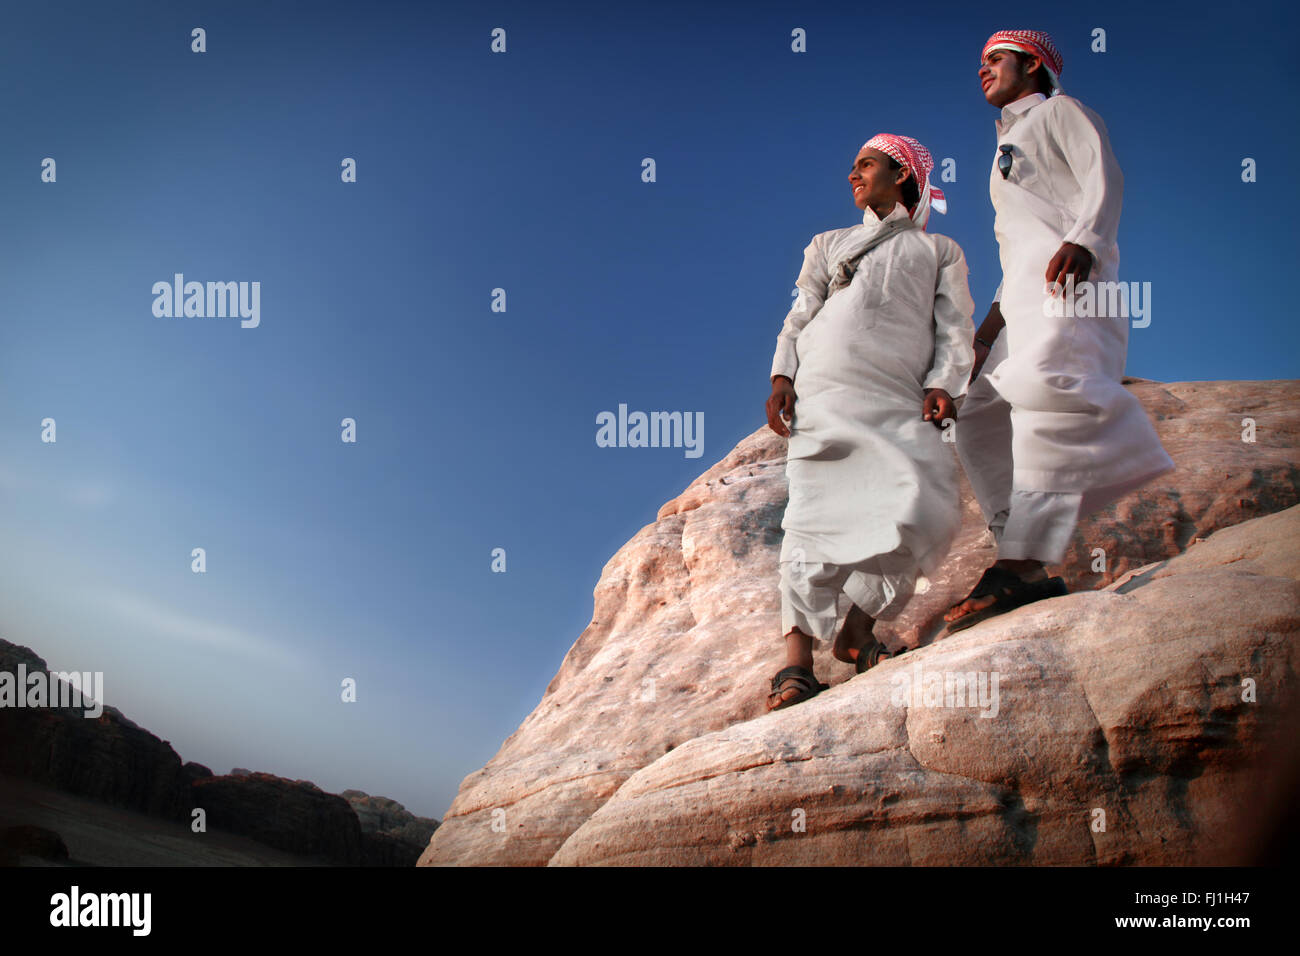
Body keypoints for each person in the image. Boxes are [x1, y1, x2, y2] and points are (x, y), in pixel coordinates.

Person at [943, 29, 1175, 633]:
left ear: (1034, 63)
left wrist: (1087, 241)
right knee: (979, 414)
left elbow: (1105, 178)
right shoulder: (1001, 149)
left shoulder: (1062, 112)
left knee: (1047, 398)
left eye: (994, 59)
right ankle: (1015, 554)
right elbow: (1014, 245)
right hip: (1019, 300)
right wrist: (986, 331)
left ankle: (1023, 562)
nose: (982, 70)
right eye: (980, 62)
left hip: (1068, 286)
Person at [764, 134, 975, 710]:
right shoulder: (829, 243)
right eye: (854, 165)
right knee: (812, 516)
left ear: (903, 174)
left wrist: (943, 383)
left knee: (926, 504)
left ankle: (857, 629)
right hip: (823, 386)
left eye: (867, 164)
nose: (853, 174)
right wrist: (783, 375)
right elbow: (801, 309)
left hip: (895, 392)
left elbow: (955, 327)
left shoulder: (940, 252)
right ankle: (797, 666)